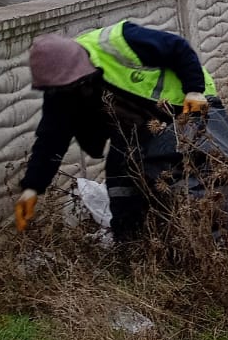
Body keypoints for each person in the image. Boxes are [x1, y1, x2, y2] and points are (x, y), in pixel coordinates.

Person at [15, 21, 216, 242]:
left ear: (83, 70)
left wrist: (194, 90)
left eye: (75, 86)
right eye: (63, 90)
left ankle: (208, 231)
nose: (70, 93)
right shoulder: (61, 89)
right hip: (138, 123)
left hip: (189, 102)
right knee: (119, 172)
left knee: (190, 167)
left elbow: (178, 47)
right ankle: (130, 240)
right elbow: (51, 139)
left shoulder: (120, 40)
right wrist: (32, 187)